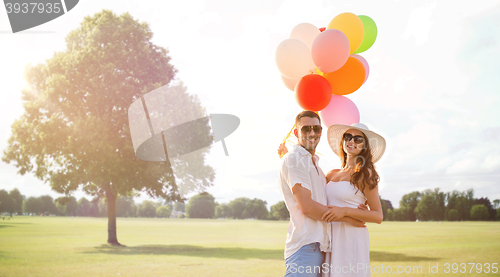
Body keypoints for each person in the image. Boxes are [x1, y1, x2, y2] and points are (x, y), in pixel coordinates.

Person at [278, 111, 366, 277]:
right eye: (306, 129)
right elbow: (308, 207)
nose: (312, 133)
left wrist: (356, 204)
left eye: (316, 129)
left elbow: (333, 195)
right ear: (296, 133)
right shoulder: (294, 159)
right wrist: (348, 218)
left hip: (322, 247)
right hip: (305, 246)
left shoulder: (315, 165)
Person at [320, 122, 386, 277]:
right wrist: (289, 156)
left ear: (365, 146)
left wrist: (345, 212)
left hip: (351, 239)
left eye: (358, 139)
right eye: (348, 137)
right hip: (330, 237)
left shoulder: (365, 174)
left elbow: (378, 216)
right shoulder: (331, 174)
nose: (351, 141)